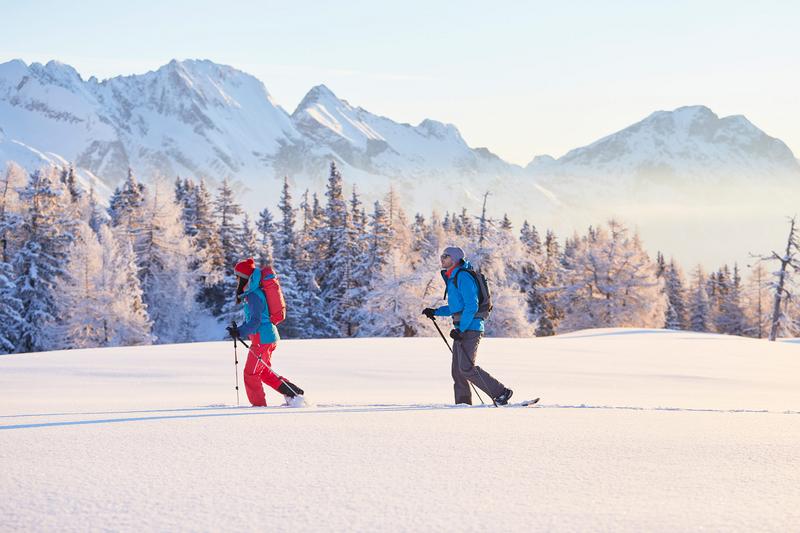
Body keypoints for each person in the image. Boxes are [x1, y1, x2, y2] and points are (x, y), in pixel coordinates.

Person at [422, 247, 513, 405]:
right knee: (458, 371)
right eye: (442, 256)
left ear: (455, 259)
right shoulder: (453, 277)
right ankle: (463, 404)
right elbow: (456, 307)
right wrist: (436, 311)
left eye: (446, 256)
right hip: (462, 328)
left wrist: (461, 329)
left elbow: (472, 306)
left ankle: (501, 393)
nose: (442, 259)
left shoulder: (463, 276)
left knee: (466, 368)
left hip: (470, 328)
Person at [226, 258, 304, 407]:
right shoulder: (252, 293)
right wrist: (238, 330)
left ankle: (258, 408)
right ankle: (294, 395)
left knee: (251, 374)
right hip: (265, 338)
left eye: (238, 276)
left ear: (244, 277)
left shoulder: (253, 295)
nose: (236, 279)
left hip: (263, 340)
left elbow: (255, 321)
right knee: (263, 372)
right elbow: (255, 319)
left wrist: (240, 331)